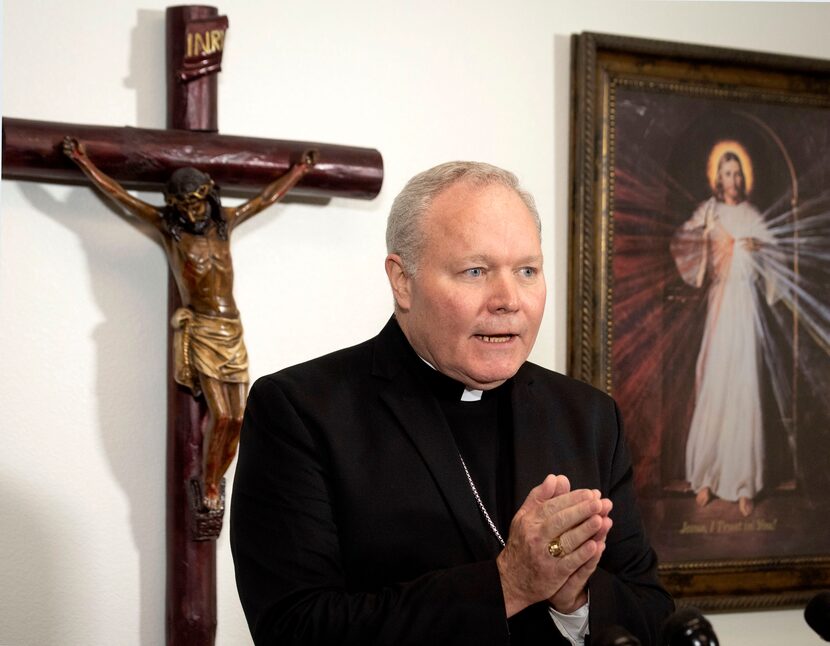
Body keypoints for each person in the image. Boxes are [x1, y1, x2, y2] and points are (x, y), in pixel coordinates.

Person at [231, 161, 673, 645]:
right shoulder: (302, 413)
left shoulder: (586, 416)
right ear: (403, 281)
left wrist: (576, 599)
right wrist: (507, 585)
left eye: (527, 270)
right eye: (475, 271)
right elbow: (295, 629)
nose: (508, 299)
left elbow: (653, 617)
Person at [63, 137, 316, 511]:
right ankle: (211, 482)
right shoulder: (170, 229)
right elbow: (122, 197)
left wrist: (298, 170)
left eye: (196, 201)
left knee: (241, 417)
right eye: (183, 205)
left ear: (208, 196)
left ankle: (216, 474)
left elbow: (263, 200)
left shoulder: (224, 223)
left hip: (232, 327)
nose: (191, 211)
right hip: (203, 329)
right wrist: (83, 161)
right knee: (224, 414)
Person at [671, 151, 777, 517]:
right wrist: (702, 236)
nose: (731, 180)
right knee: (716, 382)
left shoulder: (752, 215)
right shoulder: (709, 211)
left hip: (745, 308)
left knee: (744, 387)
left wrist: (757, 248)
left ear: (742, 179)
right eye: (726, 173)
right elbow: (684, 241)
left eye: (736, 174)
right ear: (718, 177)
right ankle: (708, 479)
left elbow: (775, 258)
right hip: (720, 306)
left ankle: (744, 482)